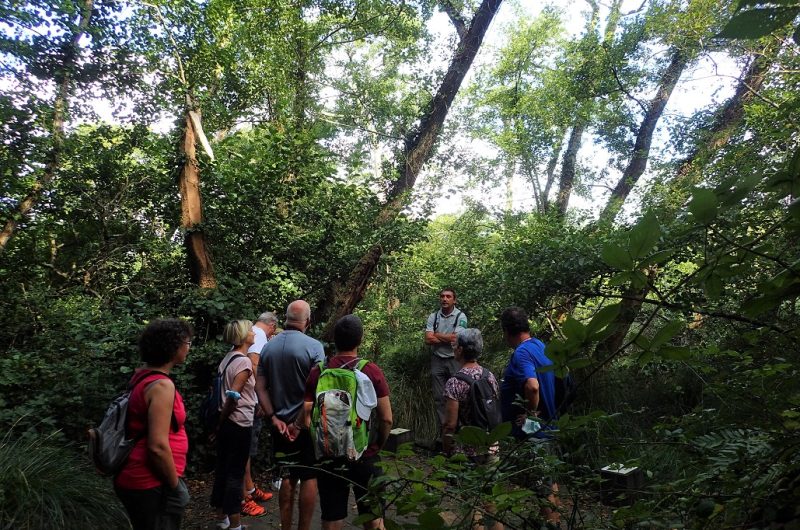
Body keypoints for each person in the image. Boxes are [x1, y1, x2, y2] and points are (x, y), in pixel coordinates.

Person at [300, 314, 393, 530]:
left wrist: (317, 437)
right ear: (360, 340)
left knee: (332, 515)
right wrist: (378, 444)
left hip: (329, 452)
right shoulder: (370, 370)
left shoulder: (319, 371)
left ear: (334, 339)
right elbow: (386, 418)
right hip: (364, 452)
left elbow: (305, 412)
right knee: (373, 515)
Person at [114, 319, 193, 530]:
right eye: (187, 342)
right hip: (149, 480)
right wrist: (175, 486)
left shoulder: (144, 376)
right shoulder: (161, 386)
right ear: (172, 346)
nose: (188, 348)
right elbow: (157, 446)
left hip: (143, 478)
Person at [256, 300, 324, 530]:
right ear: (308, 320)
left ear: (286, 319)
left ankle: (286, 526)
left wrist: (273, 417)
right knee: (309, 475)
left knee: (286, 474)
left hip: (279, 425)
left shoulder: (268, 347)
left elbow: (260, 386)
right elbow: (318, 390)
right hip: (304, 424)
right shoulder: (314, 347)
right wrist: (298, 423)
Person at [499, 307, 560, 526]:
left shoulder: (522, 352)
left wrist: (530, 416)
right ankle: (557, 522)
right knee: (550, 482)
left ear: (506, 331)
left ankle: (552, 524)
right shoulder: (540, 346)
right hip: (550, 425)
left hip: (537, 432)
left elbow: (532, 386)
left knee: (542, 488)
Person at [442, 328, 503, 530]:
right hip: (491, 445)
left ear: (460, 350)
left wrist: (447, 448)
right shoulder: (490, 376)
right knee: (491, 502)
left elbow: (450, 424)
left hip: (467, 451)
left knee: (472, 505)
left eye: (455, 346)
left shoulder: (455, 382)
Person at [211, 320, 261, 530]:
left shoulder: (228, 358)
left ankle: (223, 517)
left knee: (223, 469)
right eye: (250, 330)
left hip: (228, 424)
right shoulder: (244, 363)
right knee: (235, 473)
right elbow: (233, 397)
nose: (253, 332)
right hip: (238, 423)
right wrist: (220, 422)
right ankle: (235, 525)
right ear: (243, 336)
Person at [241, 312, 279, 514]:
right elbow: (255, 364)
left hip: (247, 399)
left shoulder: (253, 332)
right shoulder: (259, 335)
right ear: (271, 325)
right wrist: (261, 399)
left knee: (246, 448)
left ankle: (250, 487)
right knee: (244, 449)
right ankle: (245, 494)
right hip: (250, 401)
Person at [424, 288, 468, 433]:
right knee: (439, 397)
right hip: (437, 360)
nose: (445, 299)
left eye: (448, 296)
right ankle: (445, 433)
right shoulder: (434, 316)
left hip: (455, 360)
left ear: (454, 300)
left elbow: (456, 339)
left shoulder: (460, 316)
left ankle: (460, 430)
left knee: (458, 395)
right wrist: (446, 337)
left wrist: (437, 335)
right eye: (442, 296)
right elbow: (428, 339)